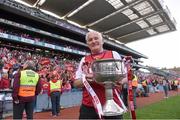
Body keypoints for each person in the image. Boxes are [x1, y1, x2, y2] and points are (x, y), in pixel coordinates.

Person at [74, 31, 127, 119]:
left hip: (112, 104)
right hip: (89, 106)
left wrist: (121, 81)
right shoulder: (84, 60)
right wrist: (86, 79)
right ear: (87, 44)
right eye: (90, 40)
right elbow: (76, 83)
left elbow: (125, 76)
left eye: (96, 38)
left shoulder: (113, 54)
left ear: (102, 41)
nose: (93, 41)